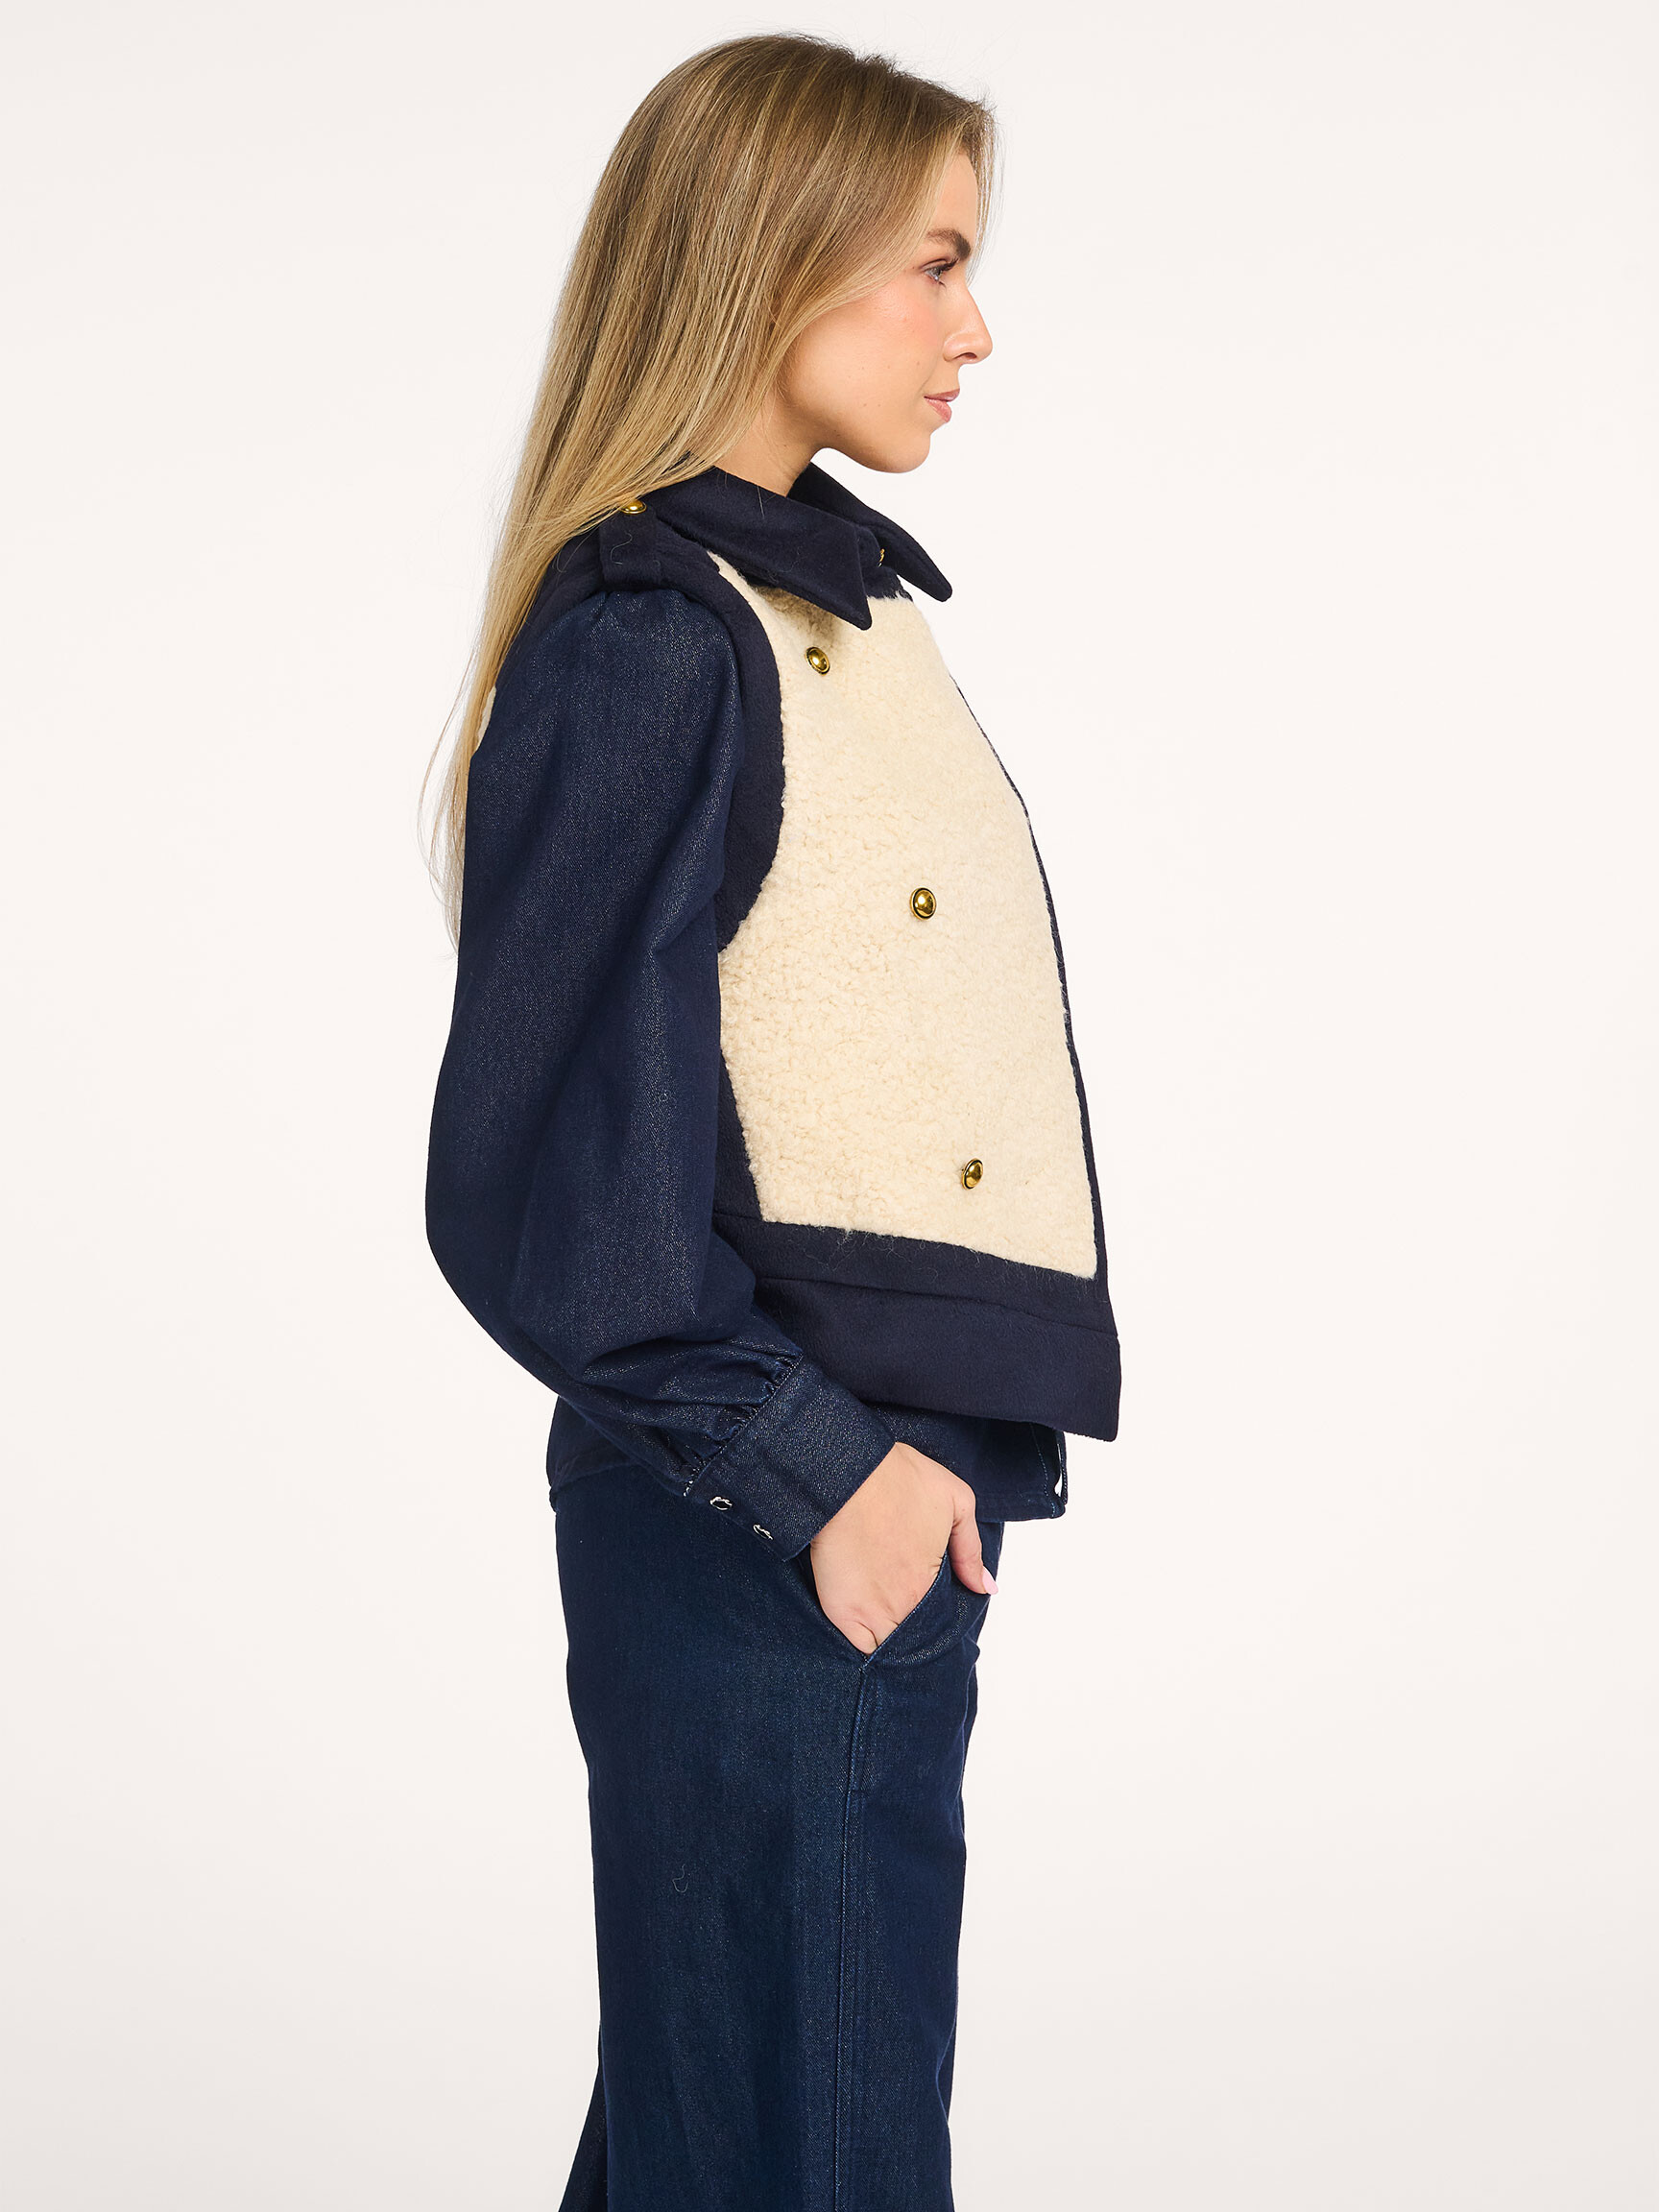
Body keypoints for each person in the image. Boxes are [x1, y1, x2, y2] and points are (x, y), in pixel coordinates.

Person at [423, 33, 1119, 2211]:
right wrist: (830, 1478)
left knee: (738, 2139)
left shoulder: (821, 608)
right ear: (773, 252)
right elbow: (551, 1177)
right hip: (772, 1497)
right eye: (935, 263)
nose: (973, 329)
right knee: (797, 2155)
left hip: (848, 1495)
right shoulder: (656, 635)